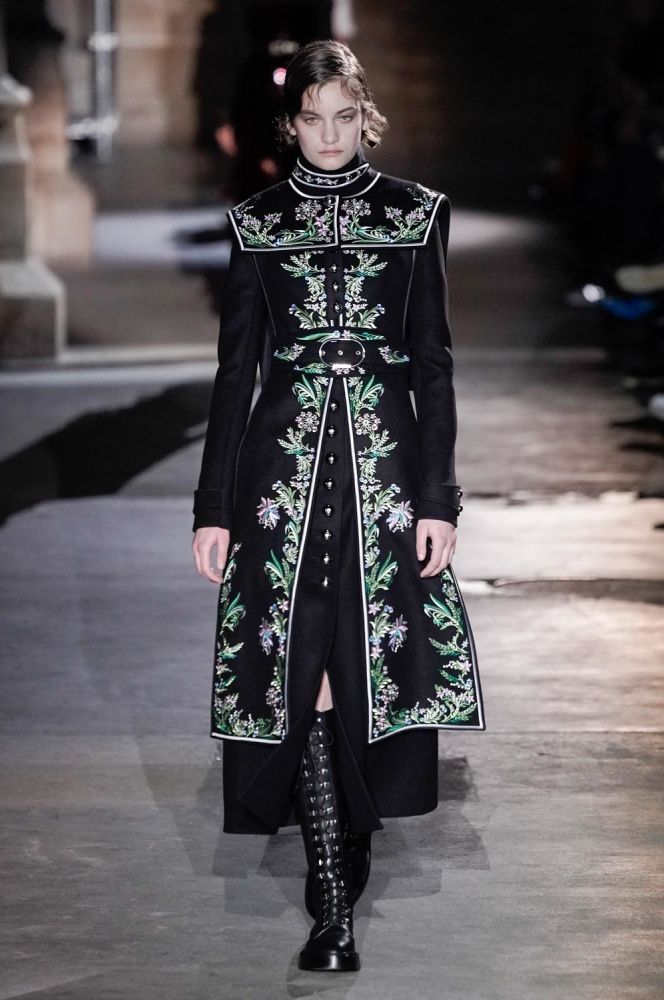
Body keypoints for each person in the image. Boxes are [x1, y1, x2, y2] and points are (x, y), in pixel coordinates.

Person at [192, 39, 485, 973]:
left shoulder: (414, 214)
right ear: (292, 125)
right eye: (313, 119)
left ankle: (348, 845)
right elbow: (235, 372)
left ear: (367, 118)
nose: (329, 135)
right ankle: (331, 900)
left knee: (370, 658)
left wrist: (439, 498)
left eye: (345, 117)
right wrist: (212, 506)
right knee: (304, 664)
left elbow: (433, 364)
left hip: (383, 470)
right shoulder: (257, 223)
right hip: (280, 474)